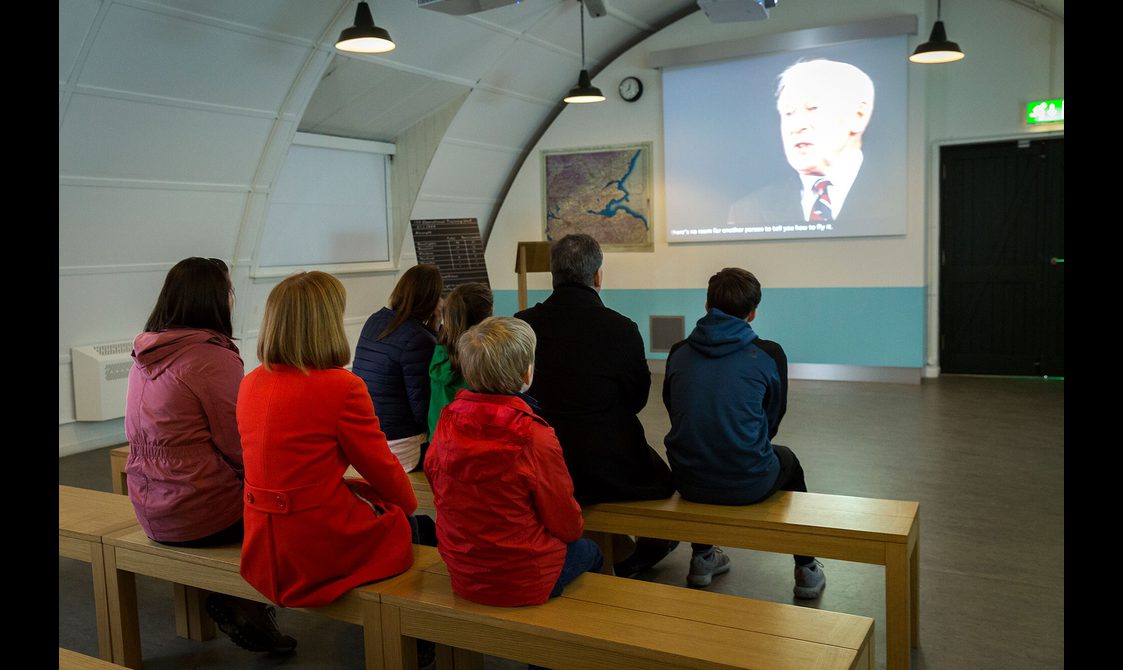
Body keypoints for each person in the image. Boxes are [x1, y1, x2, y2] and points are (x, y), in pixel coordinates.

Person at [125, 257, 296, 654]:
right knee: (283, 506)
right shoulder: (211, 357)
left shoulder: (145, 353)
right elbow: (239, 443)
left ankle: (244, 604)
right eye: (229, 291)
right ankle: (249, 605)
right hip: (198, 511)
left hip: (150, 505)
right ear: (215, 299)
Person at [237, 271, 417, 609]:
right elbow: (380, 465)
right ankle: (415, 635)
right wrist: (406, 506)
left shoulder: (250, 382)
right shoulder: (341, 387)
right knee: (406, 528)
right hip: (313, 539)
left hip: (262, 537)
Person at [515, 234, 676, 575]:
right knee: (661, 476)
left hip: (540, 460)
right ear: (598, 276)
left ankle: (615, 548)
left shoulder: (523, 325)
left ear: (553, 274)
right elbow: (636, 400)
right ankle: (642, 547)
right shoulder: (622, 329)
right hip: (608, 463)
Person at [663, 268, 824, 597]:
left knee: (703, 446)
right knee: (789, 463)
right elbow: (773, 419)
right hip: (748, 481)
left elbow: (675, 409)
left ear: (707, 305)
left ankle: (703, 558)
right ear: (752, 312)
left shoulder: (679, 351)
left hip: (687, 479)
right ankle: (806, 569)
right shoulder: (769, 354)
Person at [425, 316, 601, 606]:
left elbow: (438, 485)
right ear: (526, 374)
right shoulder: (534, 435)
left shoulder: (446, 421)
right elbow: (567, 523)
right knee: (590, 550)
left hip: (464, 571)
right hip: (525, 577)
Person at [727, 59, 875, 226]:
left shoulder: (901, 194)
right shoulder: (747, 211)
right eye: (788, 113)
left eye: (813, 108)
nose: (796, 126)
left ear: (858, 116)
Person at [353, 264, 443, 472]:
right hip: (402, 448)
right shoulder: (419, 339)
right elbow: (424, 412)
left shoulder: (375, 320)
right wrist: (436, 331)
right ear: (432, 301)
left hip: (368, 437)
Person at [427, 282, 493, 437]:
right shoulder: (482, 358)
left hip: (439, 441)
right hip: (470, 442)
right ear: (487, 317)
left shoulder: (439, 351)